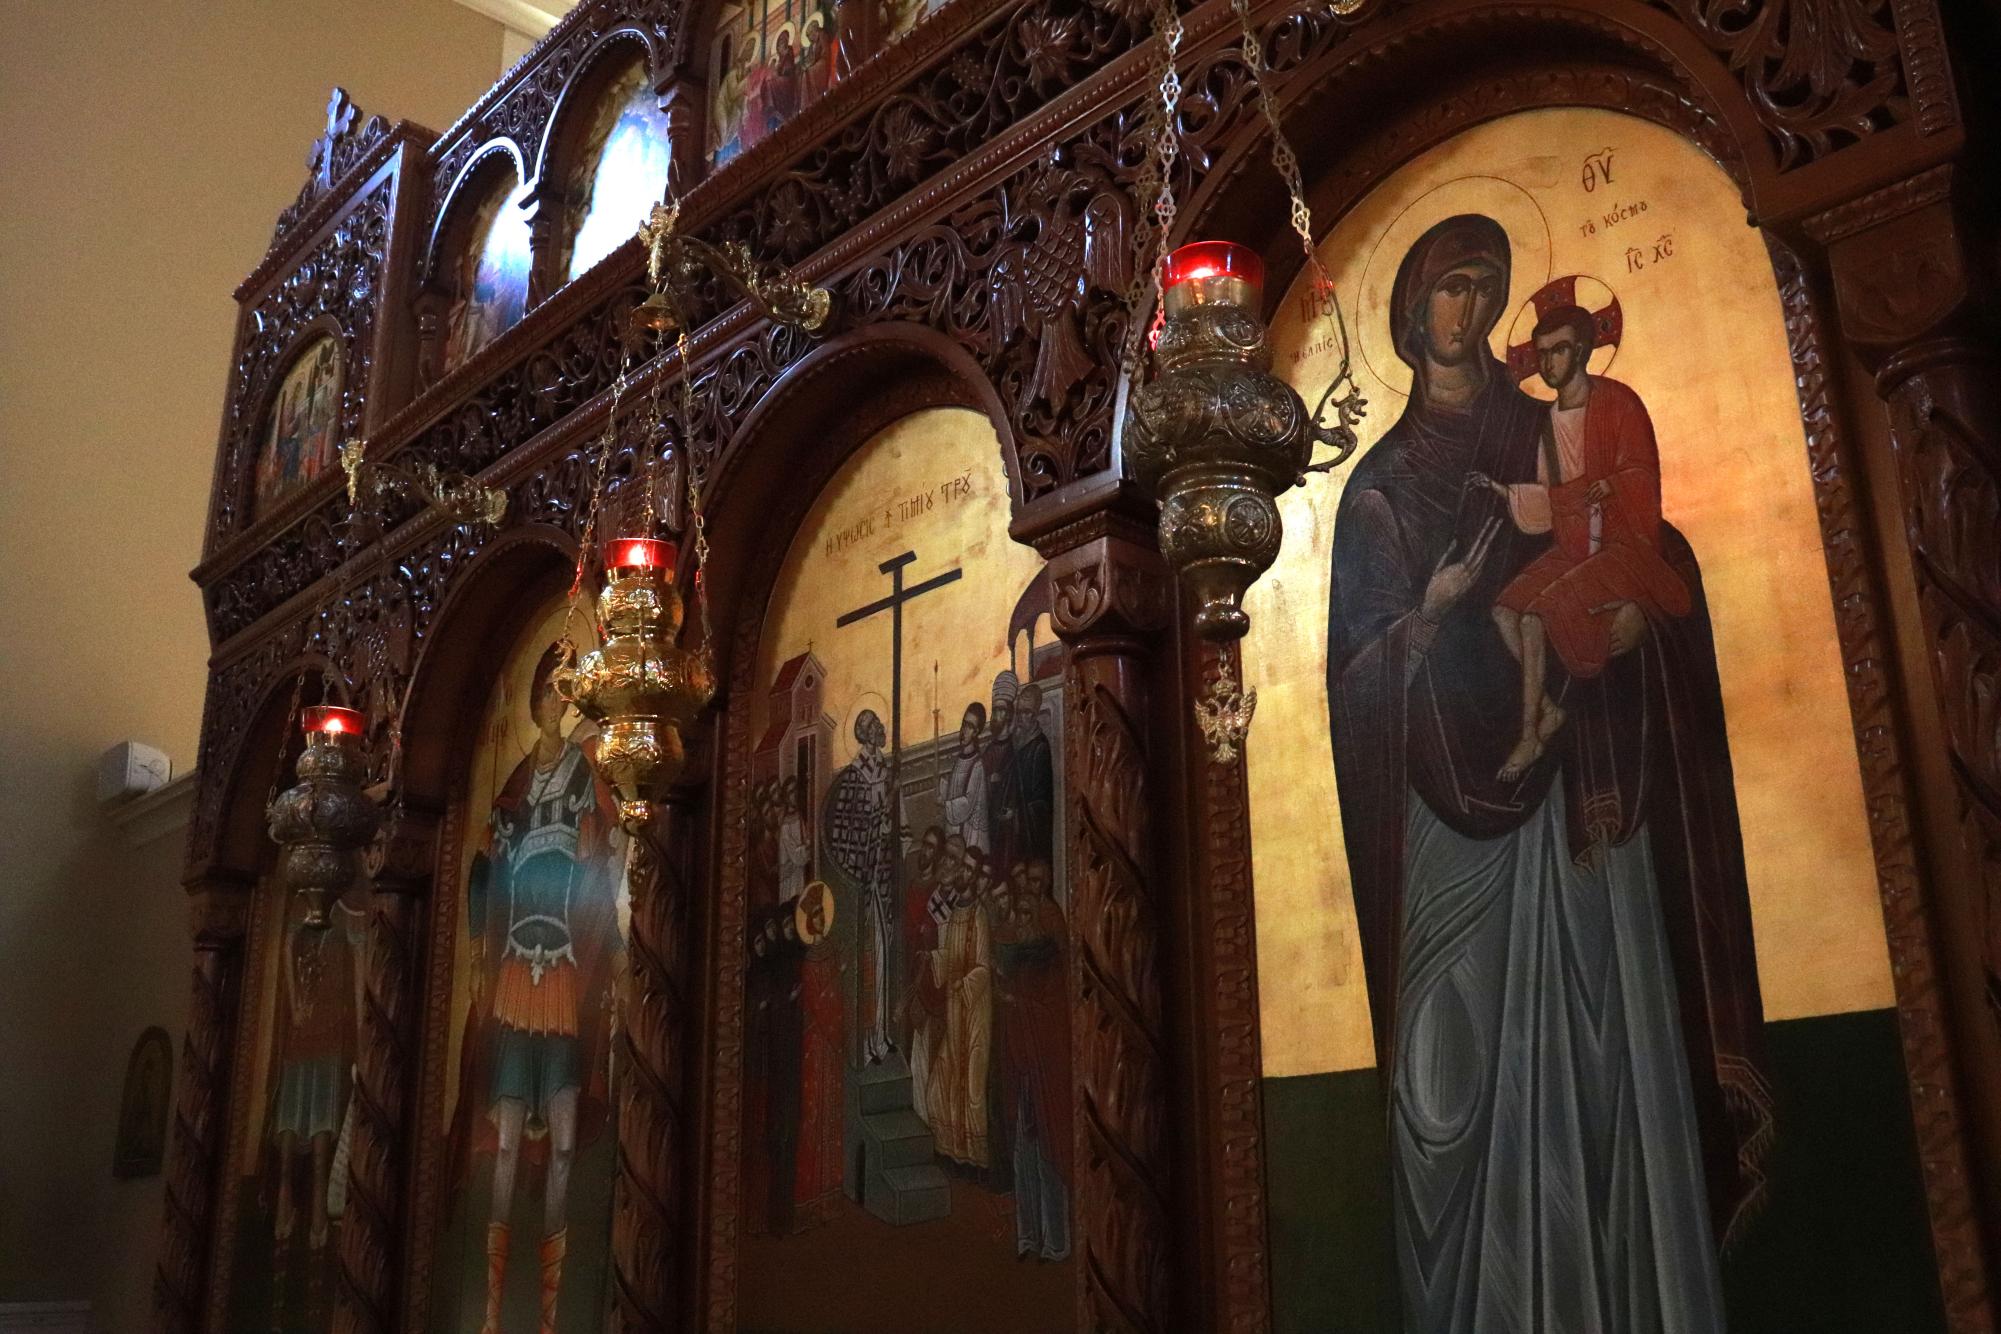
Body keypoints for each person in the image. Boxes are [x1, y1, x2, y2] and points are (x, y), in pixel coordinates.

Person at [1325, 213, 1770, 1332]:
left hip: (1573, 793)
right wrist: (1419, 625)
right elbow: (1355, 681)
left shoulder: (1555, 432)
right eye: (1447, 290)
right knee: (1444, 1088)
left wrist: (1639, 620)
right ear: (1409, 312)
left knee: (1604, 1054)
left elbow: (1646, 542)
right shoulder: (1373, 492)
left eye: (1485, 289)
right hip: (1440, 814)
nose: (1466, 311)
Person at [457, 643, 623, 1334]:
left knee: (558, 1141)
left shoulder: (586, 774)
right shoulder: (518, 785)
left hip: (560, 969)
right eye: (551, 691)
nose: (560, 701)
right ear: (535, 702)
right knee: (501, 1144)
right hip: (514, 974)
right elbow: (488, 875)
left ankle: (552, 1320)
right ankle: (491, 1314)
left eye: (568, 690)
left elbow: (606, 851)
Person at [1470, 302, 1691, 782]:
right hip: (1574, 547)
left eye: (1559, 350)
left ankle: (1529, 736)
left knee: (1533, 618)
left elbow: (1644, 475)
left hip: (1623, 546)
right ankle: (1547, 708)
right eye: (1541, 353)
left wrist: (1613, 483)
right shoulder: (1548, 422)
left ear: (1584, 351)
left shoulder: (1619, 403)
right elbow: (1551, 501)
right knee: (1504, 611)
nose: (1549, 363)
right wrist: (1504, 493)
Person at [992, 858, 1070, 1260]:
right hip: (1024, 1072)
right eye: (1020, 912)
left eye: (1027, 913)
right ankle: (1027, 1238)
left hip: (1046, 1075)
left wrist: (1016, 1001)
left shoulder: (1053, 964)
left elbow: (1052, 1015)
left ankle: (1055, 1243)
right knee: (1024, 1158)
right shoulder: (1020, 960)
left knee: (1048, 1159)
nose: (1021, 919)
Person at [823, 709, 899, 1063]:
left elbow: (898, 824)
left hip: (883, 879)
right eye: (876, 727)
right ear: (866, 735)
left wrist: (895, 835)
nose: (883, 729)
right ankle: (865, 1044)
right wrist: (876, 830)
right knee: (867, 955)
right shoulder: (854, 779)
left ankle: (881, 1036)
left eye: (881, 725)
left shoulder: (885, 771)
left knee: (884, 954)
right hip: (865, 883)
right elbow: (846, 832)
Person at [923, 841, 994, 1170]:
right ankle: (951, 1149)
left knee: (972, 1084)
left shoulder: (979, 916)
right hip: (954, 1010)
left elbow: (982, 966)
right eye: (962, 866)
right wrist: (934, 959)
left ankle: (975, 1159)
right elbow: (951, 956)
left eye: (968, 869)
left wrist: (963, 984)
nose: (963, 872)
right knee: (946, 1075)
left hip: (974, 1012)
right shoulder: (955, 914)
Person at [1011, 681, 1055, 867]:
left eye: (1026, 712)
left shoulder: (1039, 747)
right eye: (1019, 712)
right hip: (1016, 828)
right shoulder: (1018, 743)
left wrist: (1018, 813)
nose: (1021, 717)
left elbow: (1040, 801)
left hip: (1031, 832)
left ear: (1035, 714)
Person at [938, 702, 990, 854]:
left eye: (969, 726)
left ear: (976, 732)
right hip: (955, 832)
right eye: (964, 724)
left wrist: (945, 804)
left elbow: (967, 804)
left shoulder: (977, 765)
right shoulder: (958, 761)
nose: (964, 731)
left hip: (970, 835)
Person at [983, 673, 1022, 875]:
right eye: (994, 710)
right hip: (992, 821)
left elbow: (1020, 783)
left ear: (1008, 714)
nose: (996, 715)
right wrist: (990, 782)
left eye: (1000, 710)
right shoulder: (989, 751)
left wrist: (1013, 810)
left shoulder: (1016, 746)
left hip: (1010, 822)